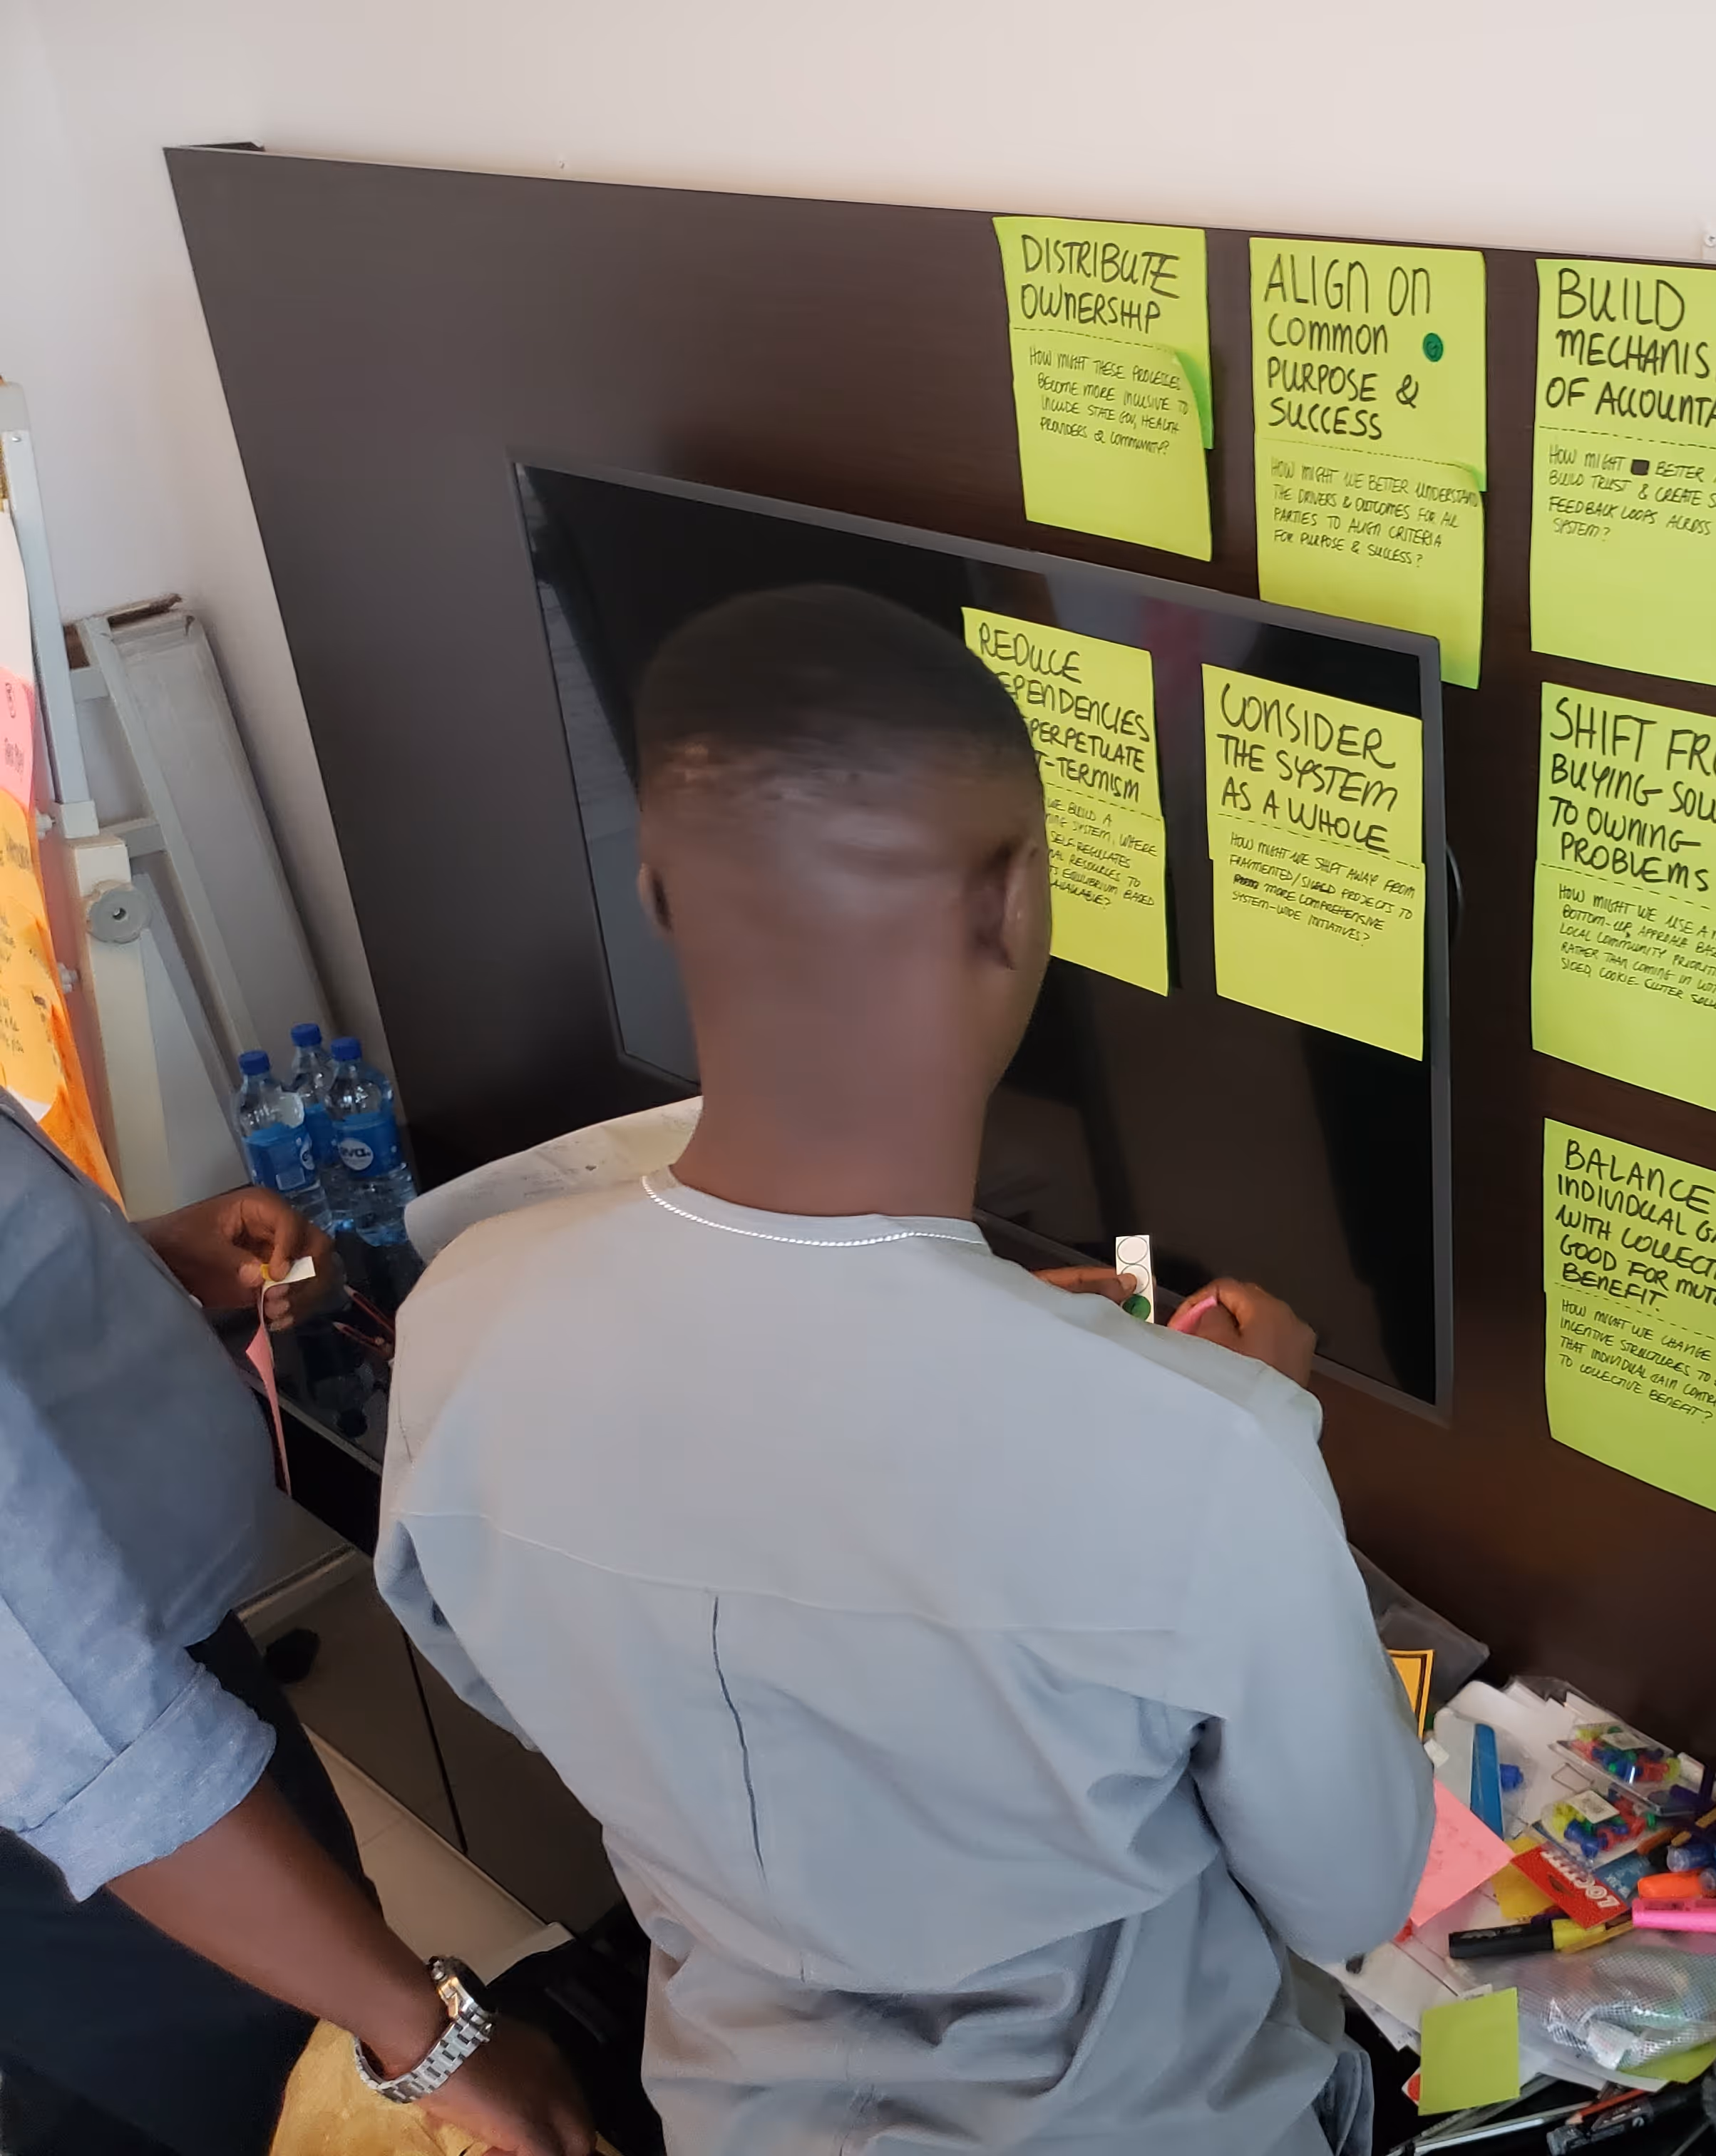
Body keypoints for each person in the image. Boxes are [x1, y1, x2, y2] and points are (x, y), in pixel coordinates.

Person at [376, 585, 1434, 2153]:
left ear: (660, 896)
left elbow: (514, 1677)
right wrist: (1251, 1435)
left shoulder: (460, 1320)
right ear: (1013, 906)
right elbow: (1349, 1892)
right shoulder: (1211, 1457)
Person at [0, 1104, 589, 2156]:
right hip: (83, 1814)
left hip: (167, 1676)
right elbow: (73, 1725)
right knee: (237, 2086)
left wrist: (104, 1276)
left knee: (307, 1988)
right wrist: (422, 2038)